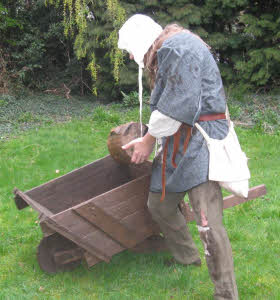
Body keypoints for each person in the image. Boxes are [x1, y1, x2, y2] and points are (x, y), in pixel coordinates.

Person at [118, 14, 238, 300]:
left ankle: (226, 294)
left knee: (209, 224)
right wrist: (150, 136)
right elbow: (170, 109)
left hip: (202, 143)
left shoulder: (177, 48)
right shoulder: (169, 50)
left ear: (141, 41)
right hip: (178, 143)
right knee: (159, 205)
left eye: (131, 50)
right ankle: (186, 256)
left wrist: (148, 141)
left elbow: (179, 105)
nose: (132, 56)